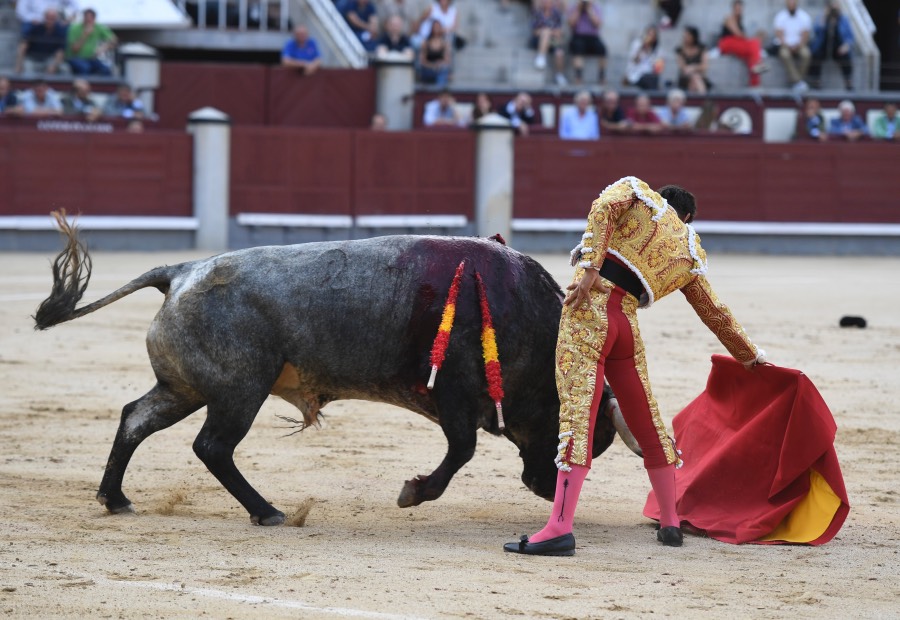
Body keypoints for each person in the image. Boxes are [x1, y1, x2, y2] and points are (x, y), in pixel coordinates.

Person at [503, 177, 766, 556]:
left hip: (588, 311)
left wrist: (592, 266)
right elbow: (714, 312)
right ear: (688, 217)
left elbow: (602, 208)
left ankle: (559, 527)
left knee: (578, 415)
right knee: (646, 418)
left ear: (661, 199)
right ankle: (671, 522)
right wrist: (750, 356)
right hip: (625, 325)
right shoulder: (689, 252)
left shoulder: (637, 194)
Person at [718, 0, 767, 88]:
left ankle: (754, 80)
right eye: (737, 8)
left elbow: (742, 37)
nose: (739, 10)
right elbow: (738, 34)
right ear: (733, 9)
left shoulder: (740, 20)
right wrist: (752, 39)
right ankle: (758, 67)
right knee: (754, 44)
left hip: (736, 43)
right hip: (726, 43)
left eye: (740, 8)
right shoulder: (729, 18)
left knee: (753, 53)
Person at [807, 1, 853, 91]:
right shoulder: (822, 17)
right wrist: (824, 17)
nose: (834, 10)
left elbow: (850, 36)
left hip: (838, 47)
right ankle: (816, 81)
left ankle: (848, 81)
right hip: (824, 46)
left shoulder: (843, 19)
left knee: (846, 56)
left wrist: (846, 46)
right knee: (816, 54)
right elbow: (816, 30)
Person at [773, 0, 813, 92]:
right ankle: (798, 82)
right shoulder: (781, 16)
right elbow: (779, 34)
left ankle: (796, 82)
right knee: (784, 55)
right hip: (785, 45)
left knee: (806, 54)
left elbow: (805, 35)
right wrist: (787, 45)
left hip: (799, 44)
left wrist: (798, 45)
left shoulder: (804, 16)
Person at [14, 7, 67, 75]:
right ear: (44, 17)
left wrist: (54, 65)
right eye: (48, 18)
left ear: (56, 19)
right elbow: (23, 45)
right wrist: (18, 64)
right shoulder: (35, 28)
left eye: (53, 18)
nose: (50, 20)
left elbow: (60, 51)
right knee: (28, 73)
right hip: (32, 59)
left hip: (49, 59)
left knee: (65, 69)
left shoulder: (60, 31)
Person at [565, 0, 606, 85]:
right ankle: (578, 77)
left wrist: (589, 10)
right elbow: (571, 24)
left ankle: (601, 76)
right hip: (578, 36)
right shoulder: (574, 7)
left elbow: (597, 24)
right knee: (578, 47)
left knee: (602, 49)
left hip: (593, 37)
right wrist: (579, 10)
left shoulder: (595, 7)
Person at [66, 8, 116, 76]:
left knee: (106, 69)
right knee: (85, 68)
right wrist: (85, 35)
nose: (88, 21)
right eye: (86, 18)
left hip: (91, 58)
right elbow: (74, 49)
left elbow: (113, 39)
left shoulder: (98, 27)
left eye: (90, 18)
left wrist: (103, 47)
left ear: (94, 19)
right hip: (75, 58)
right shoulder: (74, 28)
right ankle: (83, 86)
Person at [530, 0, 566, 87]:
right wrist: (548, 32)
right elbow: (535, 32)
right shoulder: (537, 13)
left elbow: (559, 32)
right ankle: (541, 56)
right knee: (545, 32)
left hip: (552, 40)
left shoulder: (556, 14)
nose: (546, 2)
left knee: (559, 52)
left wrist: (549, 32)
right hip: (537, 40)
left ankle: (559, 75)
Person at [625, 25, 661, 91]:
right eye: (649, 34)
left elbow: (657, 68)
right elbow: (635, 61)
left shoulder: (656, 50)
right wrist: (642, 48)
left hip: (650, 76)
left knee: (653, 79)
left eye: (652, 35)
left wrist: (650, 53)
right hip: (636, 75)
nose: (650, 37)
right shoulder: (637, 44)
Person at [676, 26, 710, 95]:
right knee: (694, 78)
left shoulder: (702, 48)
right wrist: (694, 69)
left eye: (688, 36)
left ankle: (694, 100)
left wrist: (693, 67)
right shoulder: (680, 50)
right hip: (685, 78)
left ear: (693, 36)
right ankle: (702, 98)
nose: (685, 38)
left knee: (695, 78)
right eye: (684, 36)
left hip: (700, 77)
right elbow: (683, 68)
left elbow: (704, 66)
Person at [417, 20, 451, 86]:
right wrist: (432, 65)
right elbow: (422, 60)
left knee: (442, 73)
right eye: (435, 27)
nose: (436, 29)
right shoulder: (426, 42)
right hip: (428, 68)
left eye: (438, 27)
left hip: (440, 68)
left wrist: (439, 64)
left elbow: (447, 60)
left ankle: (440, 91)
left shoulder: (445, 43)